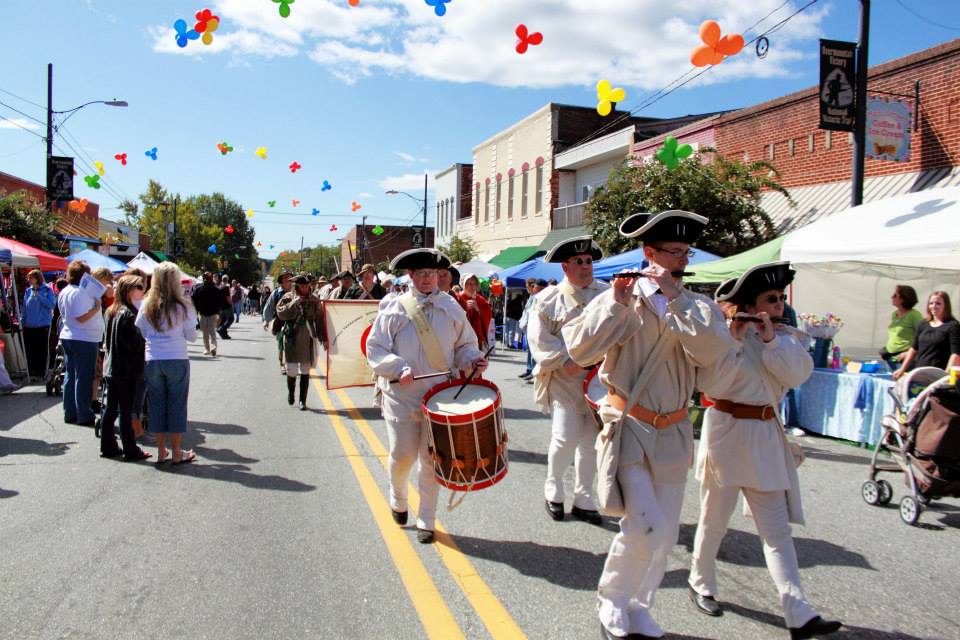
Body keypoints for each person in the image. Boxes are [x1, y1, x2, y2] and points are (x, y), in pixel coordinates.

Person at [562, 210, 735, 640]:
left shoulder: (697, 305)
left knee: (666, 531)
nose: (680, 260)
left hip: (674, 430)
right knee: (644, 523)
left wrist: (677, 301)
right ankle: (612, 600)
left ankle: (640, 605)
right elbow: (581, 351)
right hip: (630, 425)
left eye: (684, 252)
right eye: (672, 253)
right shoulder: (618, 297)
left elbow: (711, 353)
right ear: (649, 253)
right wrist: (618, 306)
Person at [689, 262, 842, 640]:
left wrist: (771, 339)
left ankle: (798, 611)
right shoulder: (724, 336)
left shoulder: (787, 337)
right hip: (726, 431)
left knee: (776, 531)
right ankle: (701, 581)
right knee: (714, 520)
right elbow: (711, 383)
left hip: (765, 435)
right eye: (768, 299)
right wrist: (736, 338)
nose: (776, 306)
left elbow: (796, 375)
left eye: (778, 299)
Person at [366, 248, 487, 544]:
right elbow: (375, 348)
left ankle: (427, 519)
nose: (427, 279)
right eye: (421, 273)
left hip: (439, 396)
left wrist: (473, 358)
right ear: (410, 275)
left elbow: (464, 346)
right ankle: (398, 497)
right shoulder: (394, 307)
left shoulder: (451, 307)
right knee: (403, 455)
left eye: (432, 273)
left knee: (432, 460)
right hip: (402, 395)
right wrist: (397, 367)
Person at [528, 237, 609, 526]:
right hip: (566, 379)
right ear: (565, 266)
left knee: (591, 440)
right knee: (565, 437)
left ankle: (584, 497)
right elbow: (539, 340)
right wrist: (565, 360)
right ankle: (554, 488)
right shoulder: (548, 298)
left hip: (599, 380)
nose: (586, 267)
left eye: (588, 261)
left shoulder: (607, 294)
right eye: (579, 262)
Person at [135, 263, 198, 465]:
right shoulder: (183, 305)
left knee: (157, 404)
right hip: (177, 357)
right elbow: (192, 336)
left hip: (153, 358)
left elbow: (142, 331)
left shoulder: (146, 304)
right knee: (177, 405)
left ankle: (162, 451)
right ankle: (177, 451)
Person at [100, 275, 151, 462]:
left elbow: (108, 340)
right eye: (138, 287)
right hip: (126, 369)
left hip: (112, 367)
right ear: (129, 290)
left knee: (111, 409)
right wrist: (143, 341)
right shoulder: (129, 314)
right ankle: (130, 449)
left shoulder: (111, 311)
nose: (142, 290)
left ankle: (108, 445)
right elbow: (132, 344)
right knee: (125, 410)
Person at [58, 260, 104, 427]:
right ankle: (84, 414)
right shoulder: (80, 293)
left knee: (71, 375)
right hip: (83, 337)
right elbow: (82, 317)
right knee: (84, 377)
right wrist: (96, 307)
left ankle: (70, 412)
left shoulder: (65, 291)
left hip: (69, 335)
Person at [276, 274, 322, 410]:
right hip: (292, 337)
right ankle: (291, 393)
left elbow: (319, 318)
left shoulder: (314, 300)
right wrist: (293, 304)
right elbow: (280, 313)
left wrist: (322, 337)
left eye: (307, 285)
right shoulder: (288, 297)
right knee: (291, 370)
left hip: (307, 337)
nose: (305, 288)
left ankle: (303, 400)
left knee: (305, 370)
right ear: (297, 286)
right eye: (302, 285)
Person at [893, 290, 960, 379]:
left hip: (938, 375)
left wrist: (945, 376)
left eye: (938, 303)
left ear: (946, 306)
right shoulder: (923, 324)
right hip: (920, 373)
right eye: (931, 303)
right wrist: (902, 369)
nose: (934, 306)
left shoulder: (953, 325)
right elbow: (914, 349)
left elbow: (955, 354)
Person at [22, 269, 56, 381]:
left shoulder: (47, 290)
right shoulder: (27, 291)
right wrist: (23, 322)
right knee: (31, 350)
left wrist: (39, 296)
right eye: (28, 278)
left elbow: (51, 305)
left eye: (31, 278)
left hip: (42, 325)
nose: (28, 280)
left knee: (42, 350)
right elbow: (25, 308)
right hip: (29, 326)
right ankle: (33, 372)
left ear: (37, 278)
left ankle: (42, 373)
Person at [880, 285, 923, 370]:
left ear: (903, 298)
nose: (892, 297)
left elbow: (923, 337)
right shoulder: (895, 314)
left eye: (895, 295)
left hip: (905, 360)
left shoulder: (914, 315)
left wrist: (908, 353)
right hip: (891, 358)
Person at [455, 274, 494, 352]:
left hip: (478, 338)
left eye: (474, 284)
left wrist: (478, 309)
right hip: (461, 338)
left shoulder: (480, 299)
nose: (472, 287)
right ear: (464, 284)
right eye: (469, 284)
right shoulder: (457, 298)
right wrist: (465, 307)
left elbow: (488, 314)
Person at [518, 278, 547, 381]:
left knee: (535, 351)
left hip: (536, 327)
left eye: (529, 286)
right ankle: (529, 369)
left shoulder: (540, 297)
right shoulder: (531, 297)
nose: (529, 289)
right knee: (530, 351)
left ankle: (534, 371)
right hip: (529, 327)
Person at [191, 272, 222, 356]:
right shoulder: (199, 289)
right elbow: (193, 299)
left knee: (212, 331)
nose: (206, 279)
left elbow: (220, 301)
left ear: (210, 278)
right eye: (205, 278)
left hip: (212, 314)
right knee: (205, 332)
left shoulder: (215, 289)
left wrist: (219, 312)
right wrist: (196, 309)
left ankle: (213, 347)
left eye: (207, 278)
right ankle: (207, 348)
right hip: (202, 313)